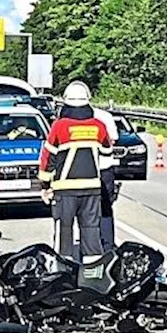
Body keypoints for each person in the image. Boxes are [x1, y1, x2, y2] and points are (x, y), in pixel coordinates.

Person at [39, 81, 112, 263]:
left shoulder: (59, 126)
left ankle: (62, 273)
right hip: (92, 190)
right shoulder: (99, 126)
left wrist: (45, 185)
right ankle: (93, 276)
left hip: (65, 190)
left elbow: (48, 158)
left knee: (64, 232)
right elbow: (107, 154)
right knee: (91, 232)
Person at [91, 103, 121, 251]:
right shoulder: (104, 117)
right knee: (106, 207)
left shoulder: (67, 117)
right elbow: (112, 141)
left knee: (84, 208)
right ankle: (108, 244)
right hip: (104, 167)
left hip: (80, 170)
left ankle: (91, 242)